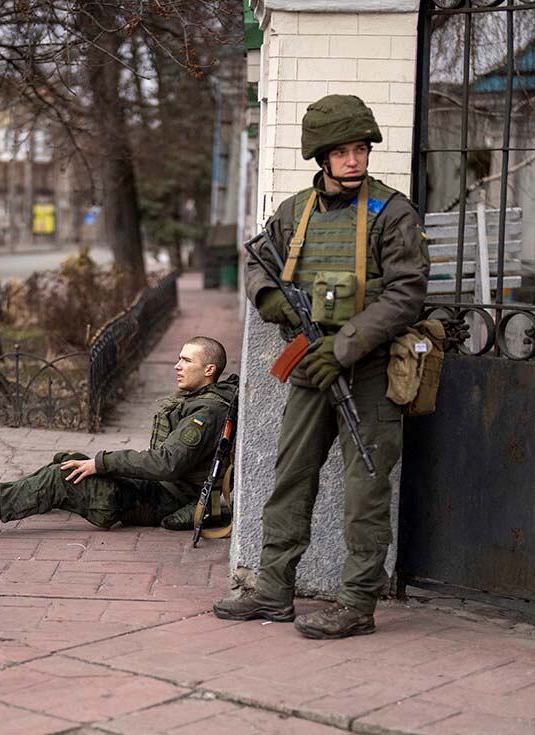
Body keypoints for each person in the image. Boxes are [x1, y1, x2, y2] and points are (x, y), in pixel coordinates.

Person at [213, 95, 429, 639]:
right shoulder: (294, 213)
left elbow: (406, 295)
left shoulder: (392, 213)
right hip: (310, 366)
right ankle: (272, 591)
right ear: (322, 158)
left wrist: (346, 345)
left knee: (366, 491)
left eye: (360, 149)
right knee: (290, 479)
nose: (354, 160)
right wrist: (273, 302)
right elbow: (258, 263)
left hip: (372, 370)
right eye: (342, 151)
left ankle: (356, 604)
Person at [0, 337, 238, 536]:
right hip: (153, 490)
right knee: (66, 461)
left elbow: (167, 464)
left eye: (186, 360)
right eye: (178, 358)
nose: (177, 366)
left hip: (155, 500)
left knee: (63, 477)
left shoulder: (205, 413)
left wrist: (102, 463)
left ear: (209, 370)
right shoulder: (202, 401)